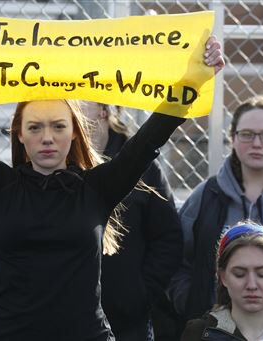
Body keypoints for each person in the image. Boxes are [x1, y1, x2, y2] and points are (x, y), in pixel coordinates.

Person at [0, 28, 224, 340]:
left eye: (57, 126)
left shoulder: (99, 187)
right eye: (35, 127)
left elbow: (153, 135)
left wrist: (199, 73)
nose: (47, 137)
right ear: (20, 135)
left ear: (74, 133)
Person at [169, 95, 263, 326]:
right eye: (247, 134)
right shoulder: (206, 196)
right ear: (232, 137)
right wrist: (191, 302)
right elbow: (175, 259)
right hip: (217, 331)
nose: (257, 144)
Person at [81, 101, 183, 341]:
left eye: (80, 97)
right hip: (69, 316)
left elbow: (167, 237)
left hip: (128, 322)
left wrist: (138, 294)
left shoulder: (142, 164)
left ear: (103, 109)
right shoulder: (55, 159)